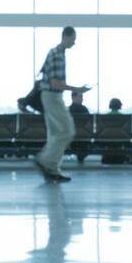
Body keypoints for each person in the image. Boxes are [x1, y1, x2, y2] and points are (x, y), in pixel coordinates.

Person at [32, 26, 89, 183]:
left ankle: (52, 170)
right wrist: (78, 89)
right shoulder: (57, 54)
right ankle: (45, 161)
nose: (74, 43)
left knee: (55, 133)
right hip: (53, 96)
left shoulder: (57, 53)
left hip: (49, 96)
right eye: (73, 39)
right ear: (66, 36)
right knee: (67, 131)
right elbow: (56, 83)